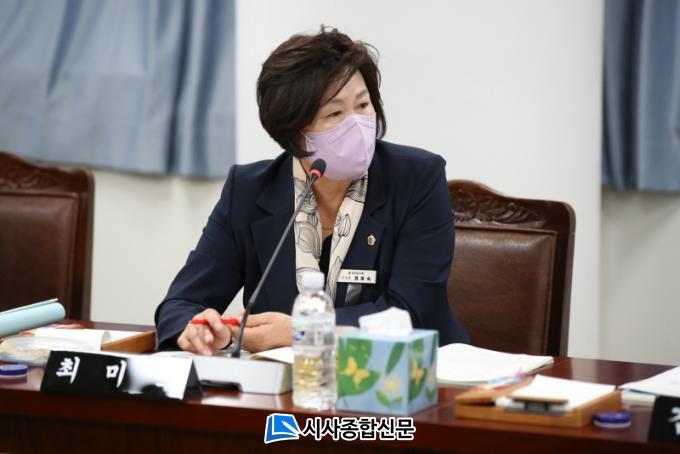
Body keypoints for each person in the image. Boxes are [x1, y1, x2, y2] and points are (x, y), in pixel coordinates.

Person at [154, 26, 469, 355]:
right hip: (288, 380)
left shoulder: (416, 178)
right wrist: (198, 329)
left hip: (405, 374)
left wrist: (302, 331)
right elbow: (181, 304)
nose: (357, 124)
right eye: (335, 113)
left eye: (363, 105)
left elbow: (410, 312)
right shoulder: (248, 191)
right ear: (294, 132)